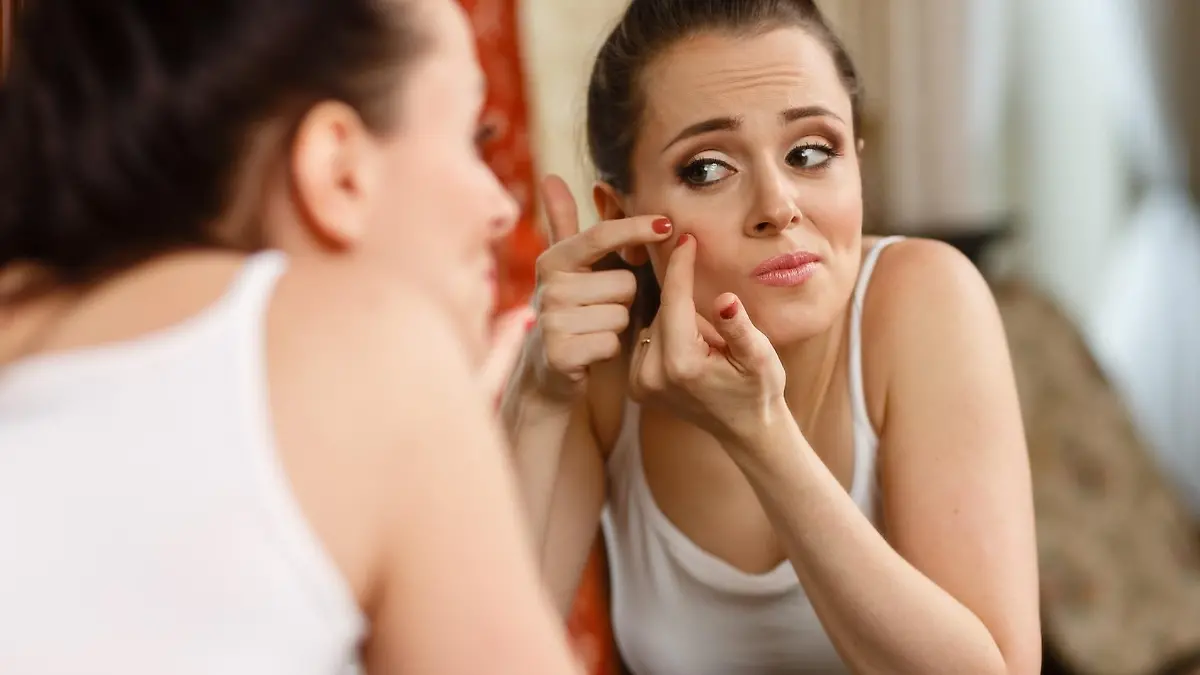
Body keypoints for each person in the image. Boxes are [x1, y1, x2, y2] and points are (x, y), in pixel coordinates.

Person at [0, 0, 581, 673]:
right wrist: (431, 441)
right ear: (339, 169)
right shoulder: (368, 348)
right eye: (471, 137)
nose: (502, 206)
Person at [503, 0, 1042, 673]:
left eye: (811, 152)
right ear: (624, 216)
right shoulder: (602, 365)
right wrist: (540, 394)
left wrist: (760, 436)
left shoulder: (923, 299)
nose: (778, 205)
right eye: (706, 168)